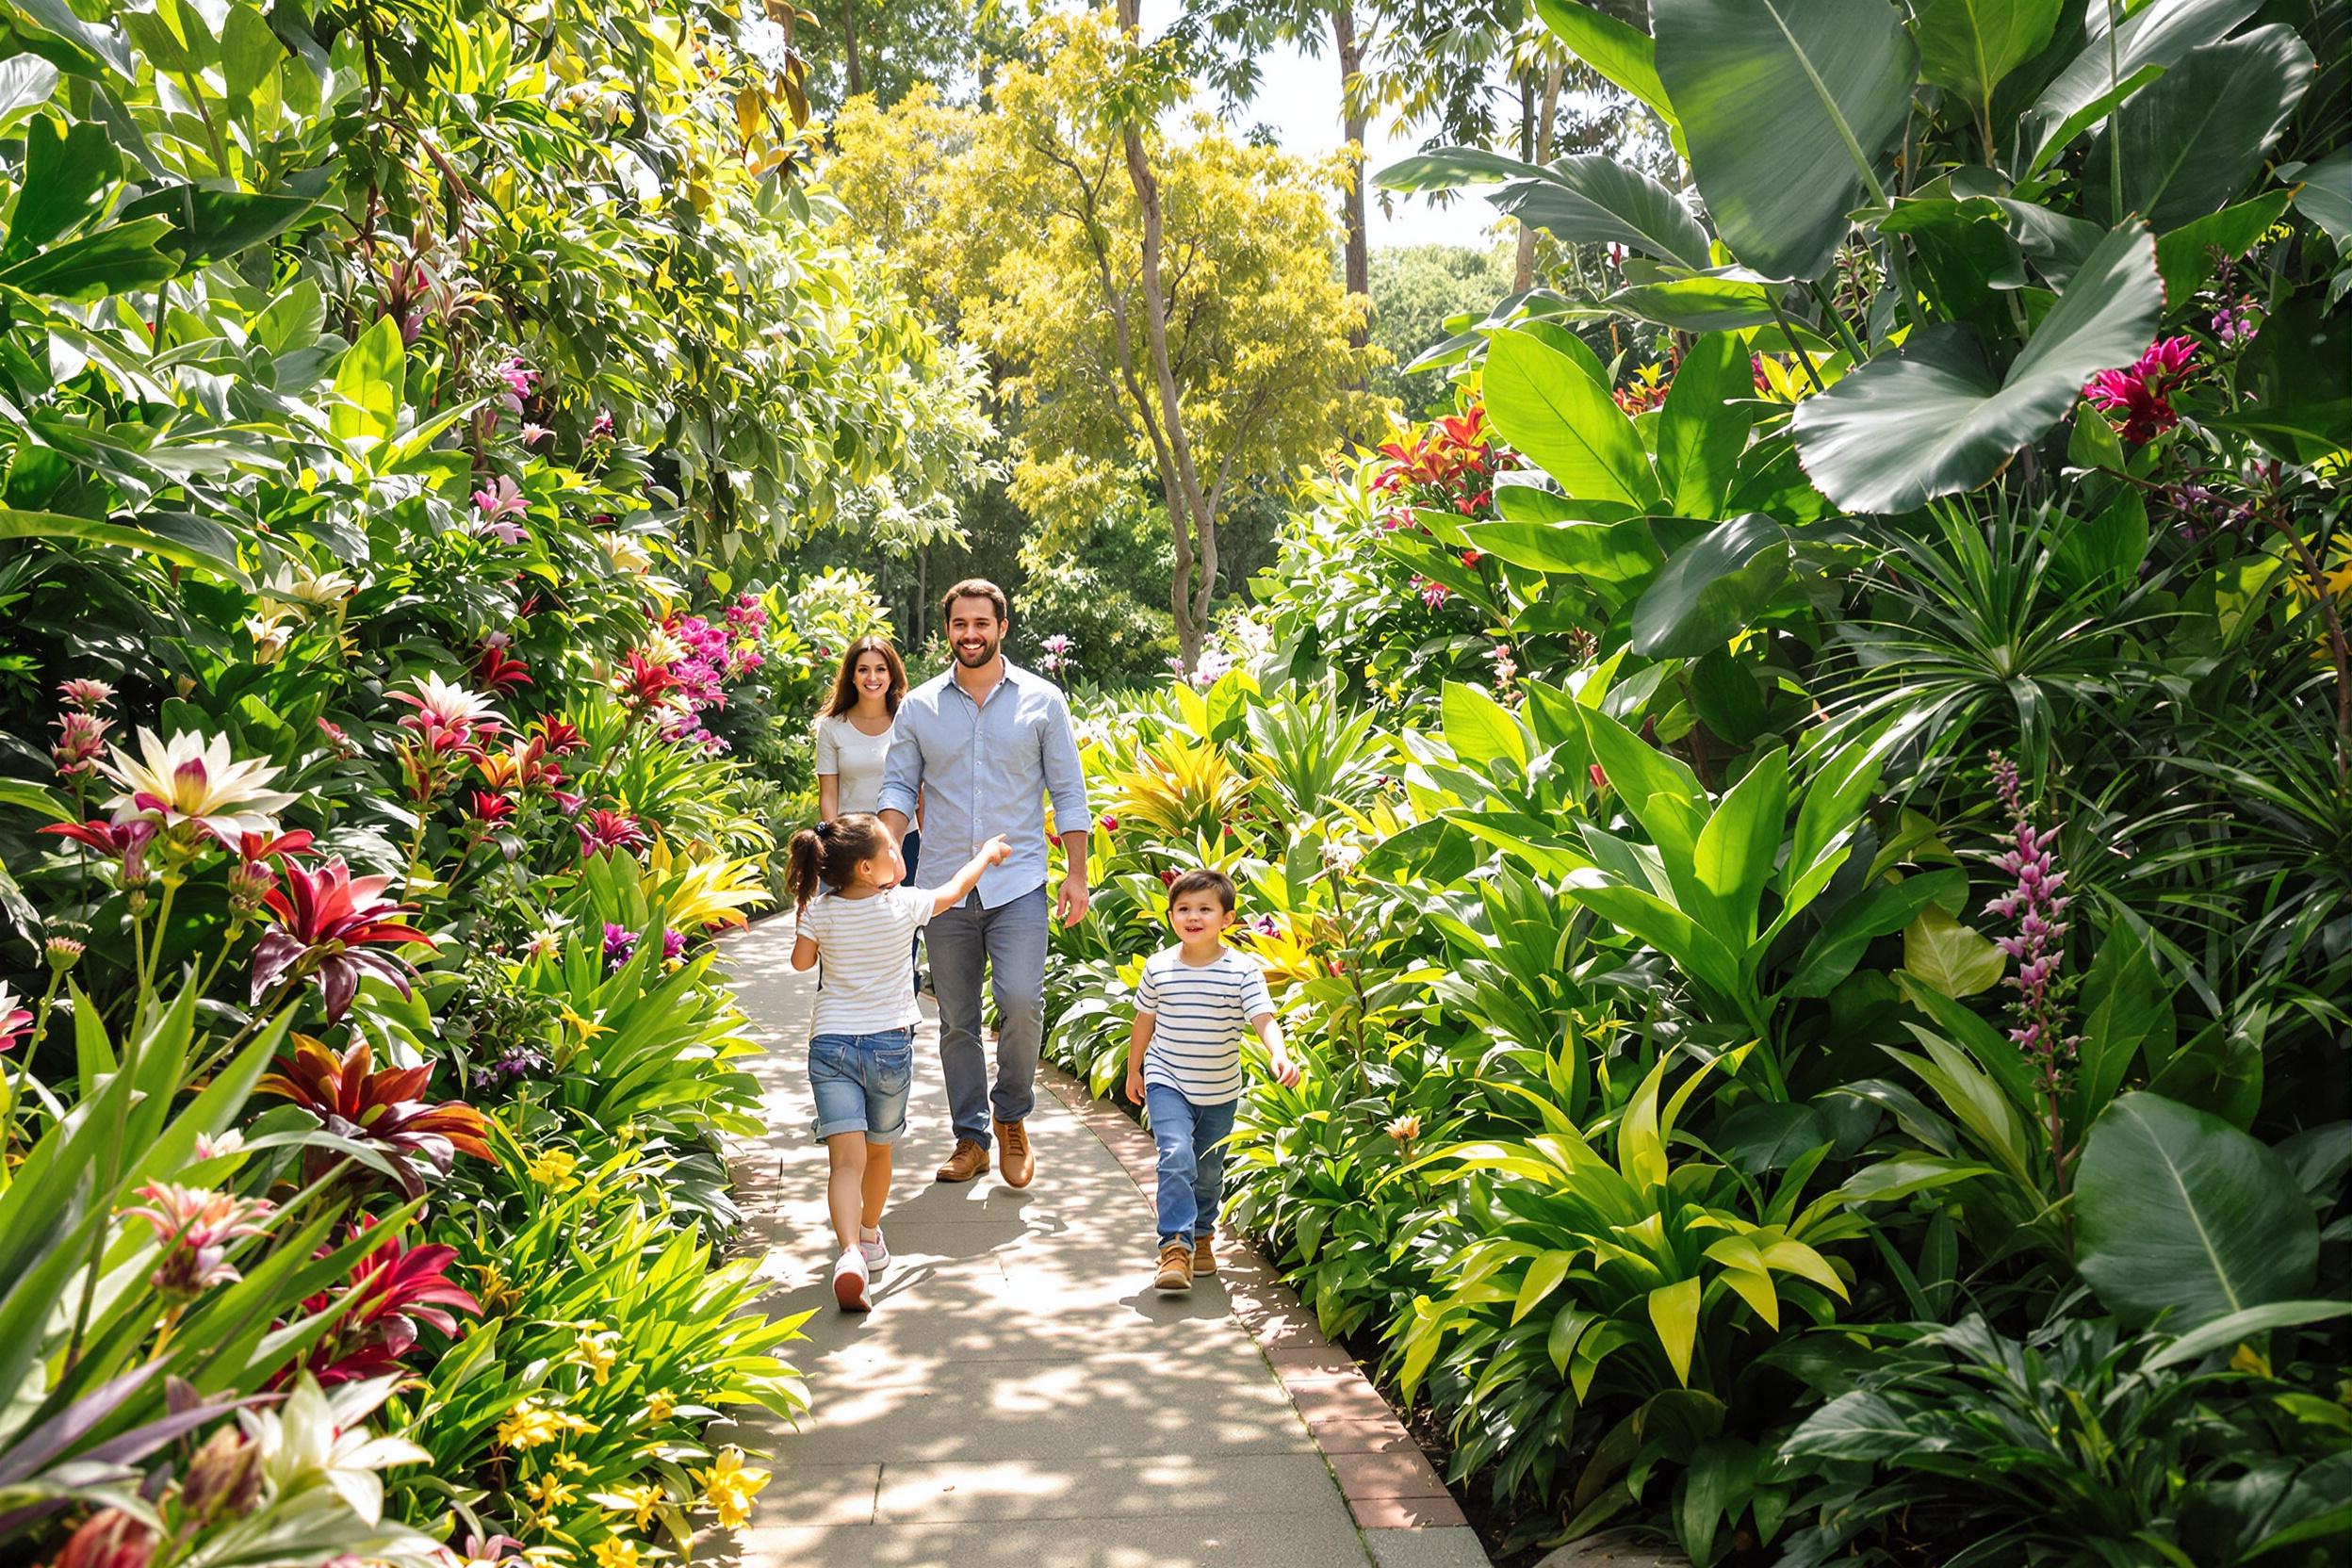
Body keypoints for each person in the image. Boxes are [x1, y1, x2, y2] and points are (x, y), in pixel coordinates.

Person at [878, 580, 1090, 1191]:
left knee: (1022, 1002)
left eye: (981, 623)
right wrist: (889, 849)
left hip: (1017, 882)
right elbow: (897, 788)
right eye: (959, 624)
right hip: (943, 886)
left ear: (1002, 626)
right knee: (957, 1022)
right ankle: (969, 1137)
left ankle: (1012, 1117)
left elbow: (1068, 793)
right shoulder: (918, 707)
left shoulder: (1042, 702)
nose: (970, 634)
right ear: (947, 630)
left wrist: (1076, 874)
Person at [786, 812, 1011, 1311]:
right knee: (879, 1151)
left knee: (844, 1163)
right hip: (888, 1045)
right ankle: (869, 1235)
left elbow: (802, 964)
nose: (898, 855)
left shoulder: (820, 911)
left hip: (831, 1045)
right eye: (891, 849)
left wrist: (810, 914)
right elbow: (954, 890)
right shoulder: (903, 905)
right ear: (867, 868)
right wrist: (987, 854)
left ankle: (847, 1254)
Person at [1123, 868, 1299, 1295]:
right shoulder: (1159, 967)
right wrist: (1135, 1069)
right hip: (1168, 1079)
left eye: (1205, 908)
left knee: (1206, 1171)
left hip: (1220, 1088)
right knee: (1176, 1154)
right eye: (1183, 909)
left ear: (1227, 919)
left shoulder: (1242, 970)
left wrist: (1280, 1052)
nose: (1193, 917)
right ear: (1171, 917)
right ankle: (1175, 1245)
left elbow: (1262, 1017)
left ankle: (1202, 1233)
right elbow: (1143, 1022)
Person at [816, 636, 921, 973]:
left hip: (905, 842)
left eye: (880, 669)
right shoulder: (832, 728)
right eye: (863, 670)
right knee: (843, 937)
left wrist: (930, 840)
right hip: (850, 846)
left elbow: (921, 790)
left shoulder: (909, 722)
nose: (872, 677)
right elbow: (828, 792)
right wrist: (832, 844)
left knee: (902, 936)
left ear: (892, 675)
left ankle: (903, 1024)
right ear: (851, 675)